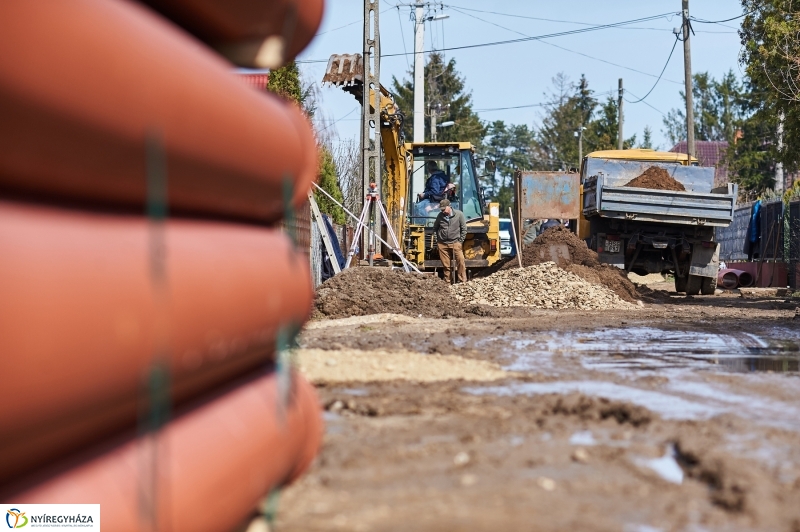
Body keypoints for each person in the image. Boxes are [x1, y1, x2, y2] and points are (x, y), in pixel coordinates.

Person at [433, 198, 467, 283]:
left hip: (455, 242)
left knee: (461, 261)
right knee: (446, 265)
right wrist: (438, 241)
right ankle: (447, 282)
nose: (443, 211)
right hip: (442, 244)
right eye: (441, 209)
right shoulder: (440, 216)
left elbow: (464, 229)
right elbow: (435, 228)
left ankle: (462, 281)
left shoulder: (459, 214)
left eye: (444, 209)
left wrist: (460, 242)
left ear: (449, 206)